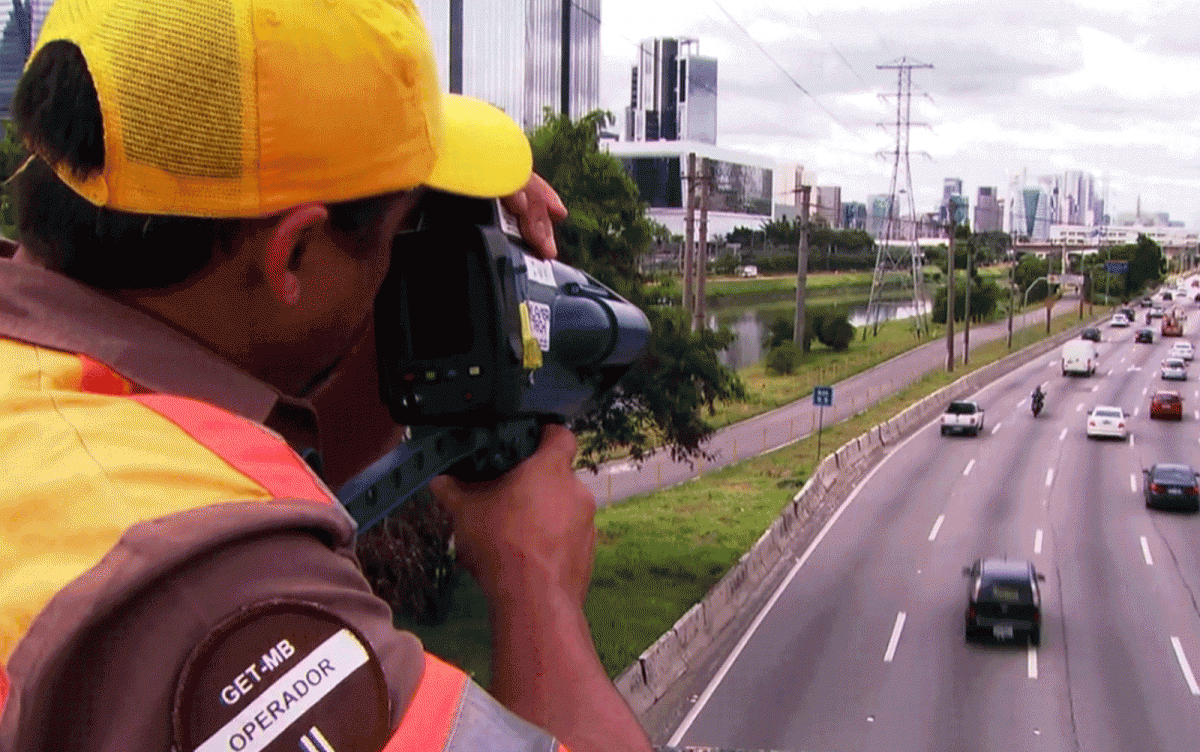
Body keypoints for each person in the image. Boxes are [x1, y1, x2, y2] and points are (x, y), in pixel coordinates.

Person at [0, 1, 653, 751]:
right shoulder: (199, 592)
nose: (398, 265)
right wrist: (535, 582)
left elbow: (227, 438)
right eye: (393, 241)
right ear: (293, 257)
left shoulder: (49, 400)